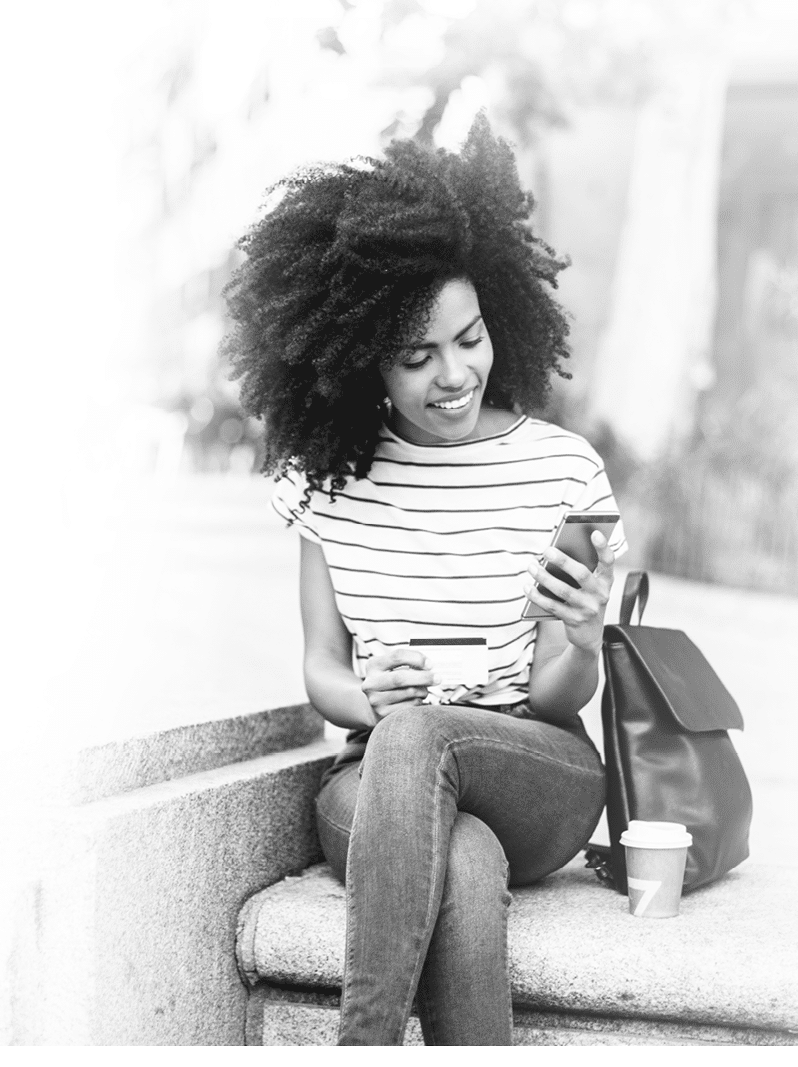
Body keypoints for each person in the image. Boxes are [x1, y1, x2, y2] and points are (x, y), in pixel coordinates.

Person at [222, 116, 627, 1046]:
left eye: (470, 338)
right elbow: (321, 668)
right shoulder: (326, 484)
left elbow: (569, 693)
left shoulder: (564, 471)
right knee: (461, 854)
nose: (456, 375)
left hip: (536, 765)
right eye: (418, 356)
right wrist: (363, 695)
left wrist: (578, 635)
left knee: (426, 744)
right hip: (371, 783)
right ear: (365, 360)